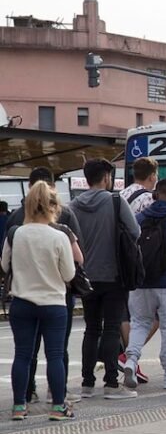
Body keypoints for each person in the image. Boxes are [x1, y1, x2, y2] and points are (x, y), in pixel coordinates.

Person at [7, 167, 83, 404]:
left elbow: (4, 264)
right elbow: (70, 273)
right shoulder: (60, 235)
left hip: (21, 301)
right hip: (53, 302)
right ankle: (58, 406)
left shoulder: (15, 232)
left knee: (22, 355)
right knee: (56, 355)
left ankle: (20, 405)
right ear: (53, 205)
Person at [70, 158, 140, 400]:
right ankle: (111, 383)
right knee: (111, 328)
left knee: (91, 329)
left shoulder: (74, 205)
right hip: (113, 274)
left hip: (86, 277)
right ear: (106, 178)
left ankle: (87, 383)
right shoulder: (115, 200)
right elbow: (135, 231)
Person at [122, 179, 166, 391]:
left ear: (155, 195)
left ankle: (131, 360)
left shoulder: (138, 219)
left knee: (140, 323)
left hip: (141, 284)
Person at [118, 156, 159, 386]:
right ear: (152, 176)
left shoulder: (121, 195)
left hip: (120, 259)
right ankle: (129, 356)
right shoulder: (148, 200)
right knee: (152, 315)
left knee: (126, 312)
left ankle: (129, 358)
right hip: (140, 261)